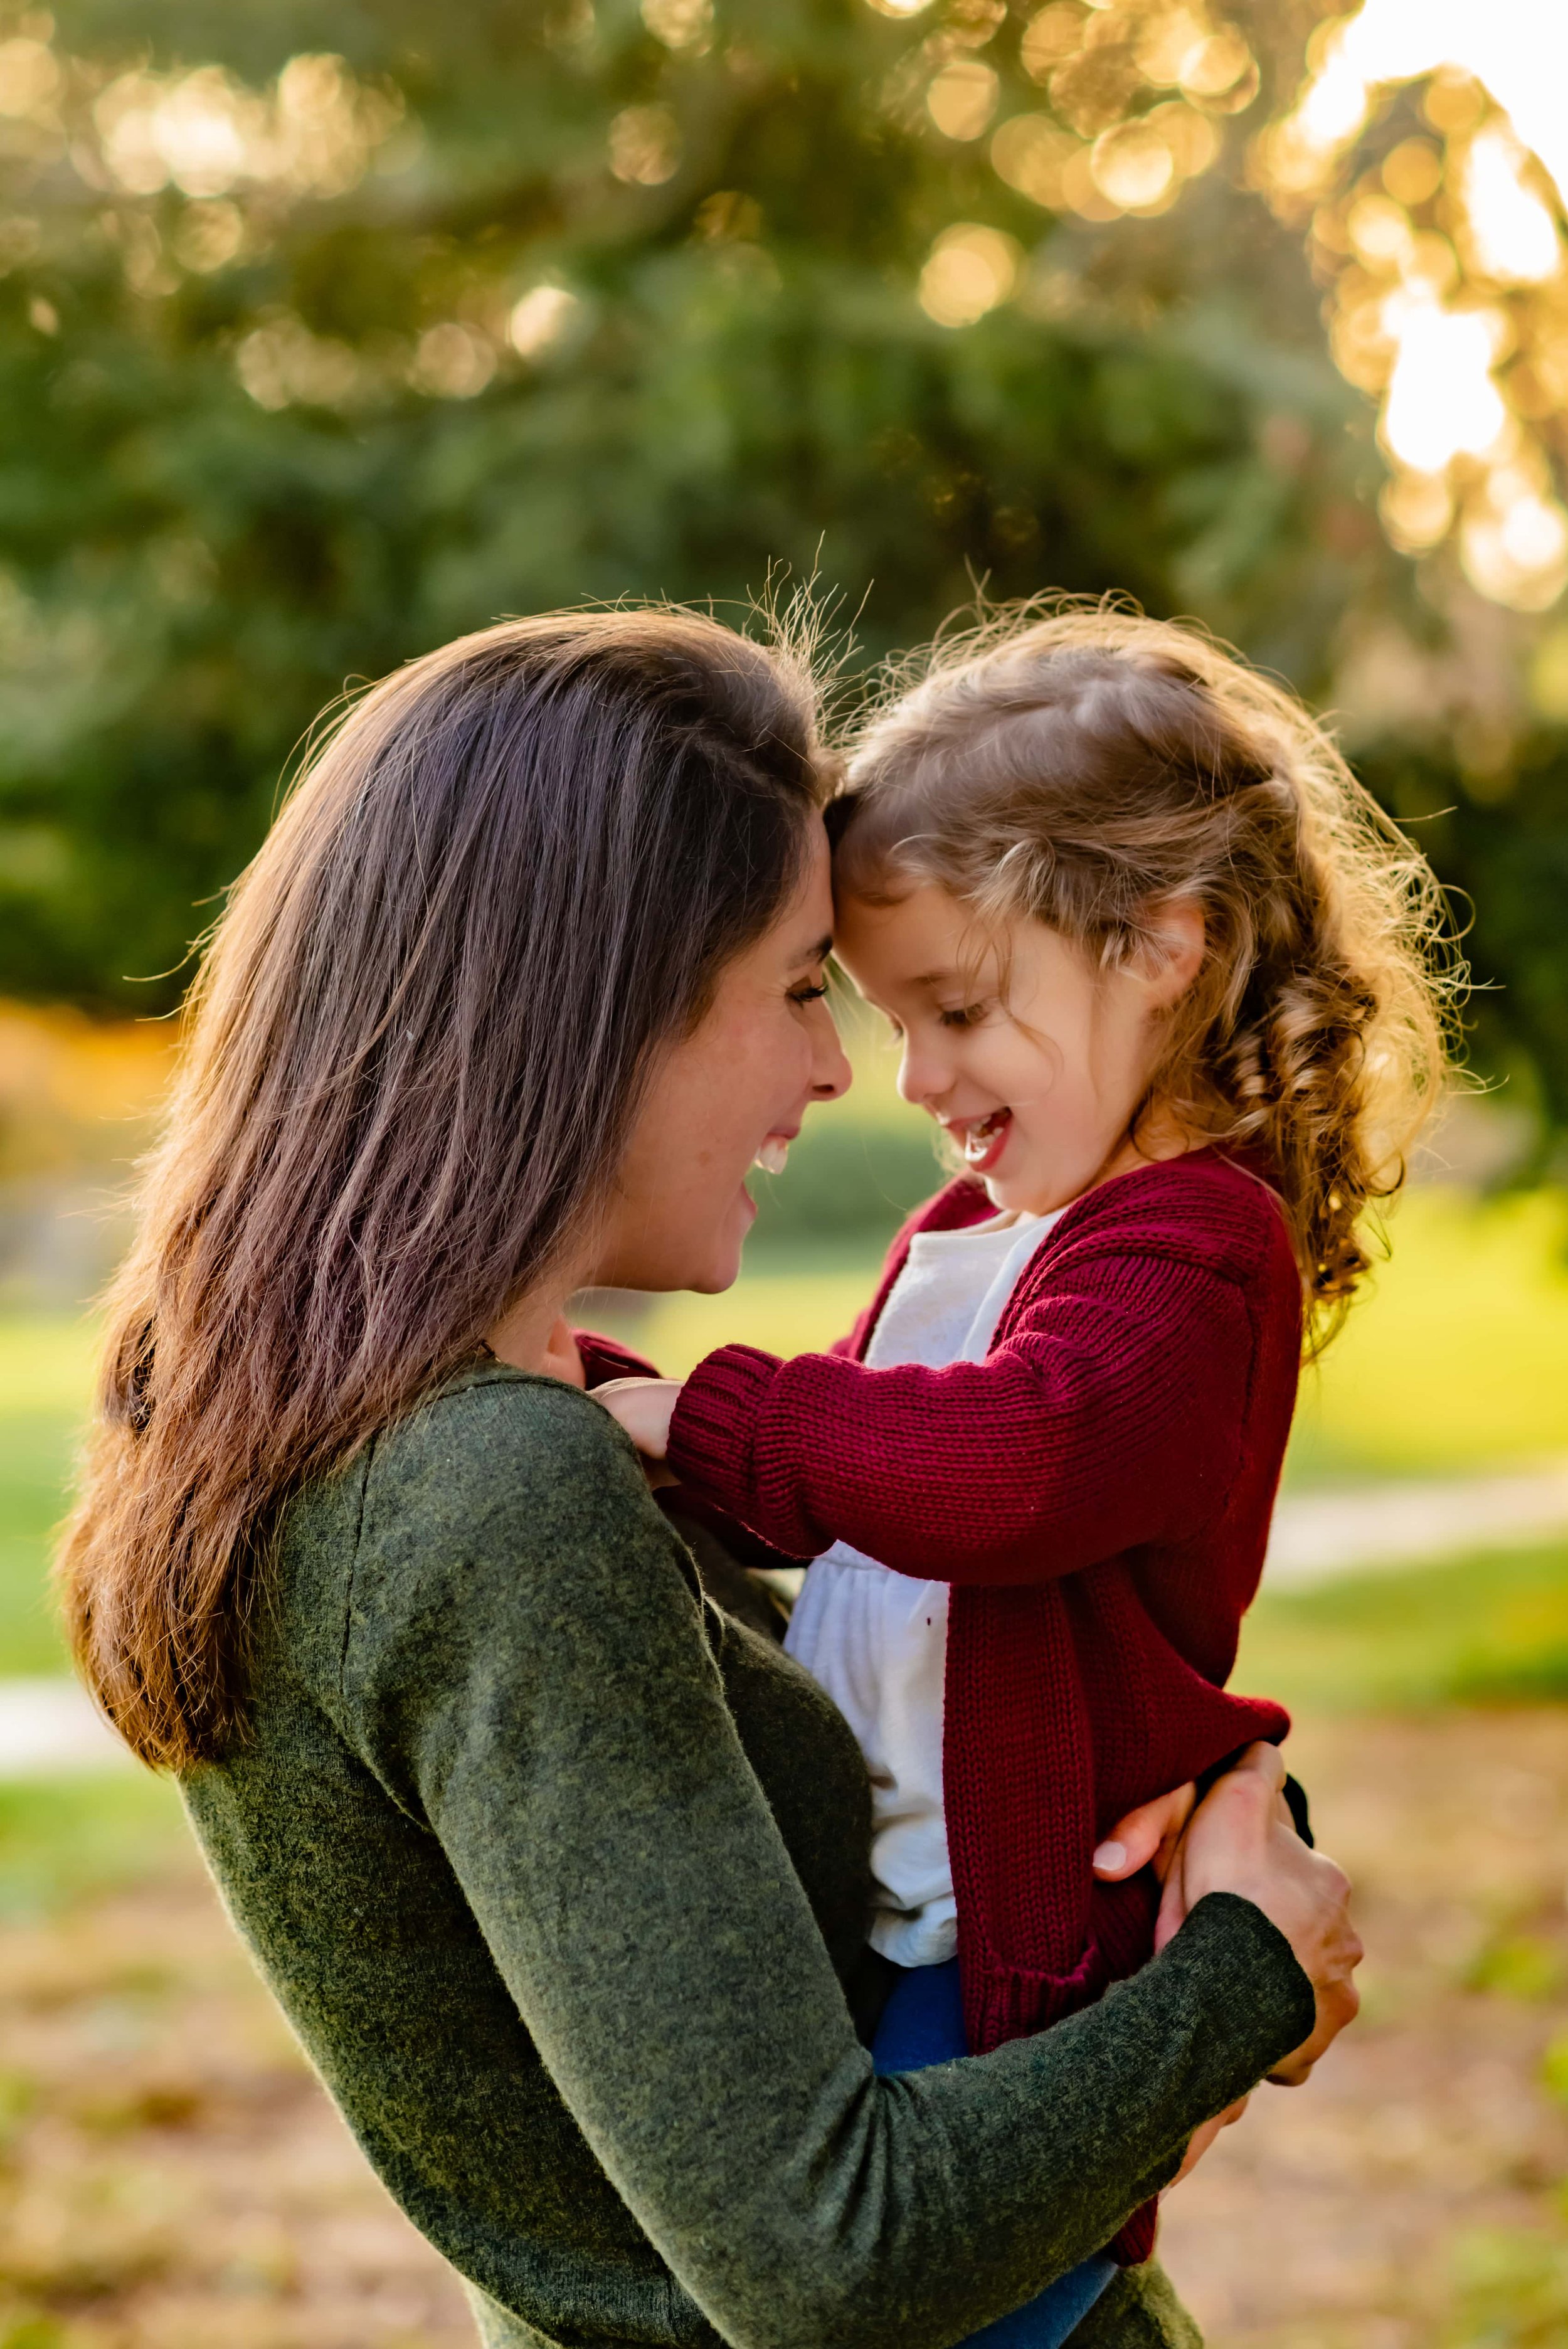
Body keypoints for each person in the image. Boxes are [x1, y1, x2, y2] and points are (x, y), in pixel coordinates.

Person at [59, 610, 1360, 2349]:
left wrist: (1177, 1782)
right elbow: (835, 2256)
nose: (845, 1072)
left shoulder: (365, 1439)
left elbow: (958, 1572)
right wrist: (1242, 1973)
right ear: (592, 1009)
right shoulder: (483, 1497)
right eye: (802, 985)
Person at [598, 609, 1453, 2327]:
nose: (915, 1078)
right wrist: (592, 1391)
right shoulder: (975, 1231)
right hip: (894, 1909)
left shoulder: (1191, 1252)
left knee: (904, 2294)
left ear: (1160, 944)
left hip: (1009, 1971)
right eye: (886, 1017)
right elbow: (824, 1470)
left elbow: (1017, 1465)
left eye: (961, 1009)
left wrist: (703, 1413)